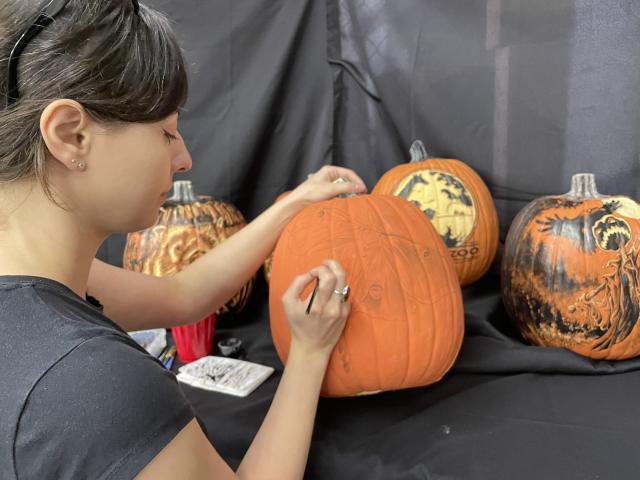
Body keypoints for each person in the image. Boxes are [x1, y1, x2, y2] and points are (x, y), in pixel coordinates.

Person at [0, 1, 367, 479]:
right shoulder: (90, 382)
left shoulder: (31, 282)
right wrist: (310, 353)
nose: (184, 158)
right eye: (167, 133)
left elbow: (182, 296)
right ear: (72, 136)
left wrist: (293, 204)